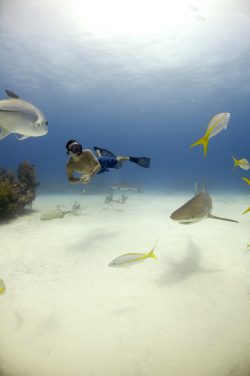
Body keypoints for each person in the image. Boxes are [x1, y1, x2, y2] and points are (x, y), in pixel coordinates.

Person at [66, 140, 150, 185]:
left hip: (100, 164)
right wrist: (80, 180)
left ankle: (128, 158)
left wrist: (88, 176)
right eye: (74, 149)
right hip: (96, 172)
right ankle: (99, 150)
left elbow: (98, 166)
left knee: (116, 161)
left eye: (79, 147)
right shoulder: (70, 165)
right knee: (99, 158)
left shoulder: (87, 152)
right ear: (69, 152)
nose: (78, 151)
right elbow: (70, 179)